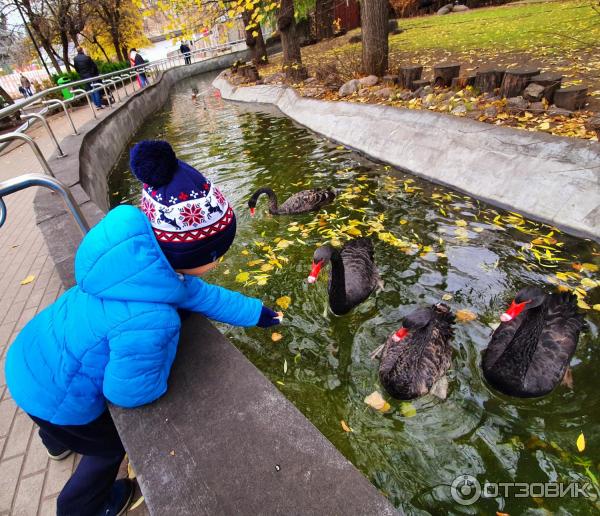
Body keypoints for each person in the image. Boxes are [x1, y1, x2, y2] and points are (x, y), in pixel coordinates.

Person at [4, 140, 282, 516]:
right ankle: (82, 506)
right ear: (196, 256)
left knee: (55, 416)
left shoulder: (132, 257)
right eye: (216, 256)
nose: (218, 264)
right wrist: (165, 359)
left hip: (29, 358)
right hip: (56, 397)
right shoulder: (152, 319)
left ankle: (55, 443)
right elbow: (129, 392)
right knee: (107, 447)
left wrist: (258, 313)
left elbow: (198, 295)